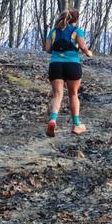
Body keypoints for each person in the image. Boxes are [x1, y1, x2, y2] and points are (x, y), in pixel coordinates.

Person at [43, 8, 93, 137]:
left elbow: (47, 49)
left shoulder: (53, 31)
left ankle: (53, 120)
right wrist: (88, 53)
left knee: (57, 95)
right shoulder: (77, 31)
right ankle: (76, 125)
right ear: (76, 19)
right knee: (73, 94)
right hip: (72, 65)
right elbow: (82, 46)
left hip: (55, 65)